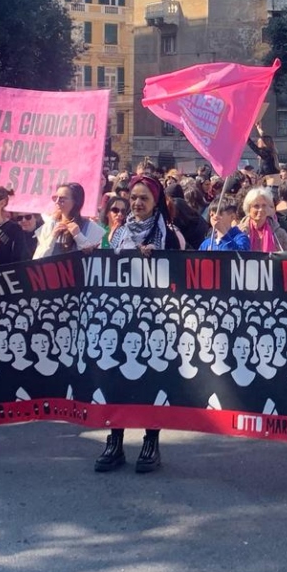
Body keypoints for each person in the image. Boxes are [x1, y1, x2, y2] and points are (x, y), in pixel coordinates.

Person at [96, 174, 185, 474]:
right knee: (117, 378)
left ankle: (151, 442)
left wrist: (153, 259)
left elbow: (178, 277)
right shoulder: (119, 234)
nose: (136, 203)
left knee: (151, 380)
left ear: (156, 201)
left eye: (143, 198)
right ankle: (115, 440)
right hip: (120, 317)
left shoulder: (168, 235)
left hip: (156, 320)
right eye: (133, 197)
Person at [34, 182, 105, 259]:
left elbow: (93, 259)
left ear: (76, 202)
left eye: (62, 199)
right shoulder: (49, 226)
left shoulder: (91, 228)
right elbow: (37, 259)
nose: (57, 202)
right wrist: (52, 236)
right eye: (55, 198)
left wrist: (78, 236)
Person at [241, 186, 287, 253]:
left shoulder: (280, 233)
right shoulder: (239, 232)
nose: (261, 209)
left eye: (264, 205)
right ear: (248, 208)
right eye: (256, 206)